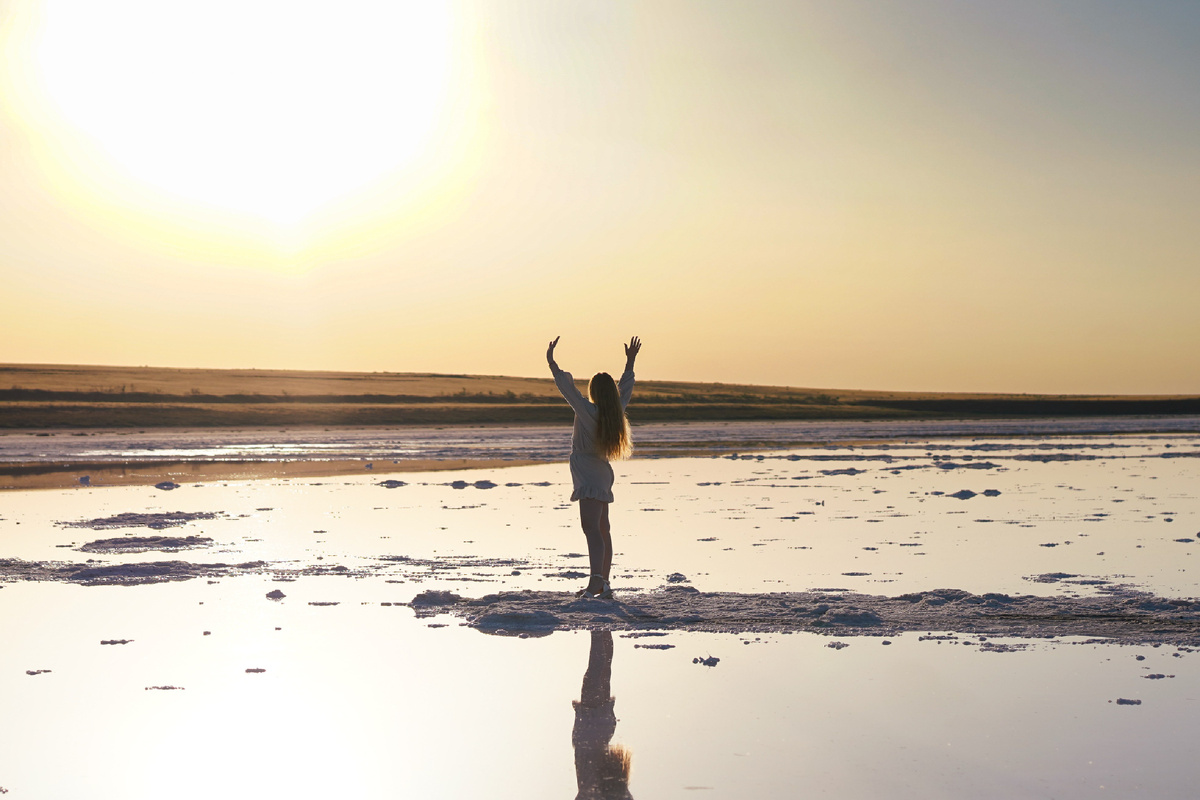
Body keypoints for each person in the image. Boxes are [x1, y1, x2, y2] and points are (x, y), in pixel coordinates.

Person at [546, 335, 641, 599]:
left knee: (592, 529)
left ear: (595, 392)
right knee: (602, 529)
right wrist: (630, 362)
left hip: (589, 474)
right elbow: (627, 389)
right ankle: (604, 582)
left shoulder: (588, 411)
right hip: (601, 473)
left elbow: (568, 390)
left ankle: (596, 582)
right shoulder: (615, 411)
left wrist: (552, 363)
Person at [572, 630, 634, 800]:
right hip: (589, 727)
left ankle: (604, 629)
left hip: (604, 727)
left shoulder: (607, 790)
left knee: (605, 671)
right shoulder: (589, 792)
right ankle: (598, 629)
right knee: (595, 671)